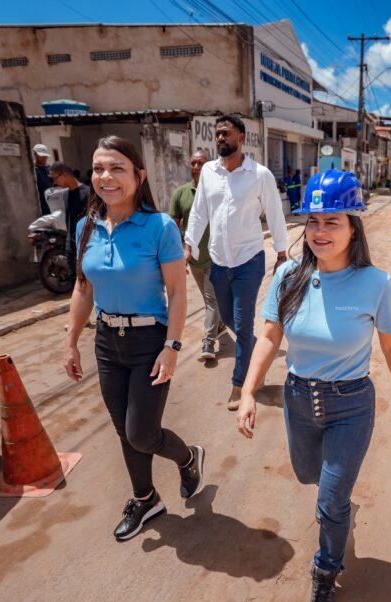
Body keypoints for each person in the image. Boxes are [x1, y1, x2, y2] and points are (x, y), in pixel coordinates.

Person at [236, 169, 391, 602]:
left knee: (331, 500)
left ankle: (325, 573)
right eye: (312, 221)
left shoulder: (375, 284)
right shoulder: (289, 276)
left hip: (351, 403)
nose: (319, 232)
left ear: (354, 226)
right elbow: (269, 336)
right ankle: (337, 509)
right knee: (310, 477)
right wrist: (249, 391)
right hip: (299, 399)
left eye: (332, 222)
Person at [62, 136, 206, 541]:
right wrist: (71, 339)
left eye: (117, 168)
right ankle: (145, 498)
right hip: (108, 342)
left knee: (142, 432)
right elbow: (83, 288)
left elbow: (178, 292)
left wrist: (172, 347)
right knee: (124, 429)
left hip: (149, 342)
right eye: (98, 169)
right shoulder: (85, 227)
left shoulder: (160, 227)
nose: (106, 177)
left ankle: (188, 456)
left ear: (139, 176)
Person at [185, 114, 289, 410]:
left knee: (242, 324)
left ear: (241, 137)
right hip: (217, 262)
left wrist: (281, 253)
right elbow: (200, 211)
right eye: (217, 134)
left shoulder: (260, 175)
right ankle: (258, 354)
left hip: (248, 261)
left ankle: (240, 385)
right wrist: (189, 244)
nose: (220, 138)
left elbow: (275, 213)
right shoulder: (208, 172)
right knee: (227, 319)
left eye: (226, 133)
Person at [170, 150, 223, 363]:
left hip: (216, 257)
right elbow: (174, 226)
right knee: (208, 298)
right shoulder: (181, 193)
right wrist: (177, 254)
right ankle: (218, 324)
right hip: (193, 258)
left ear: (209, 165)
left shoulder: (217, 191)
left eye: (200, 163)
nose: (195, 167)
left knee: (211, 300)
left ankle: (208, 341)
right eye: (192, 163)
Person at [49, 162, 91, 281]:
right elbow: (70, 219)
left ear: (65, 174)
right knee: (75, 281)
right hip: (71, 246)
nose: (54, 182)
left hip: (85, 245)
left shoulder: (87, 193)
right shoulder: (65, 195)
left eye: (55, 178)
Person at [32, 144, 54, 215]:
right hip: (40, 202)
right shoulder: (33, 170)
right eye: (41, 156)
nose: (44, 158)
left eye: (45, 156)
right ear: (35, 154)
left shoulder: (48, 167)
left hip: (51, 200)